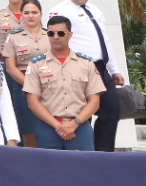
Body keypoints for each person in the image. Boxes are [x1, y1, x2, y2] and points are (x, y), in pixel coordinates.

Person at [50, 0, 127, 152]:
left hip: (100, 67)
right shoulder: (59, 11)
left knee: (111, 109)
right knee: (83, 113)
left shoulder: (95, 9)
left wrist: (114, 69)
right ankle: (85, 152)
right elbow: (56, 40)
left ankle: (103, 152)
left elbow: (105, 40)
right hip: (78, 67)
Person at [22, 15, 104, 151]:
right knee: (49, 170)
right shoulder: (36, 64)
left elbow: (95, 101)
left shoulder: (86, 63)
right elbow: (32, 102)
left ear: (70, 34)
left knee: (84, 169)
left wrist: (74, 123)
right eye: (51, 33)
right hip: (48, 127)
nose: (55, 37)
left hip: (80, 127)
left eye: (61, 33)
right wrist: (57, 126)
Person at [0, 0, 52, 147]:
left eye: (34, 12)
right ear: (21, 14)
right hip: (23, 86)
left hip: (50, 86)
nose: (30, 16)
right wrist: (31, 85)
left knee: (50, 126)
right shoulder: (13, 37)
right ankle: (31, 161)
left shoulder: (50, 35)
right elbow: (10, 67)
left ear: (41, 14)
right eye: (26, 12)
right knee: (28, 127)